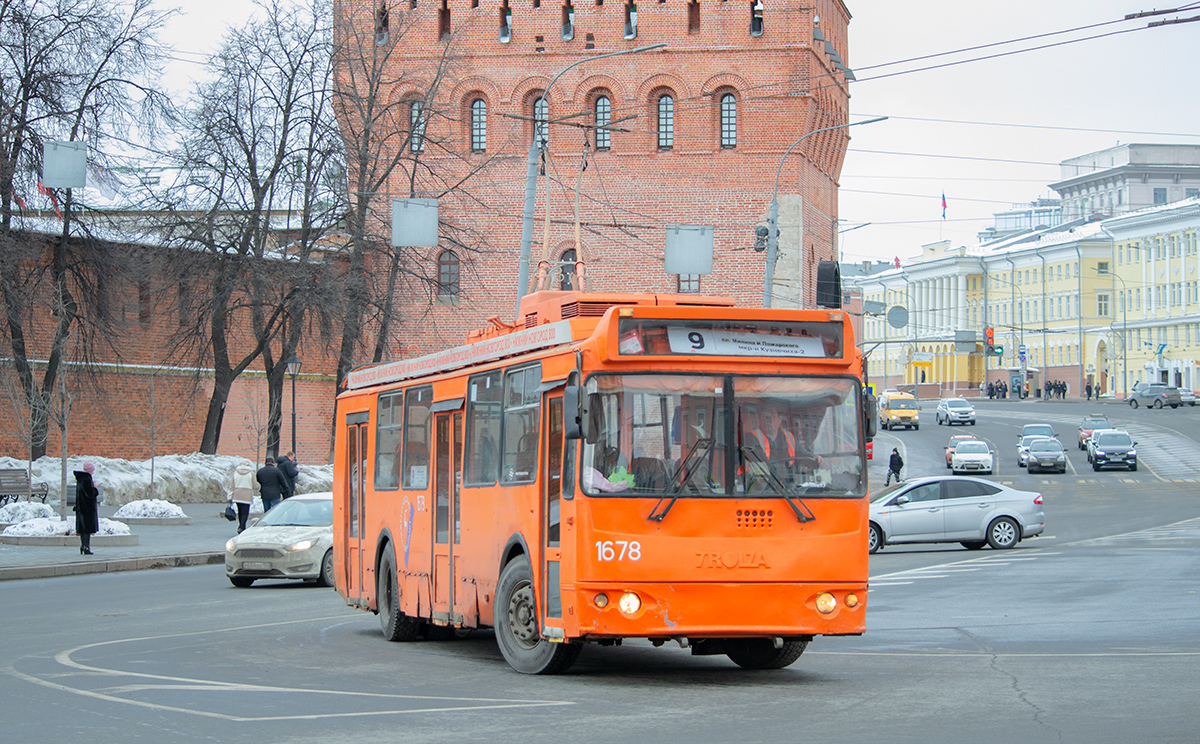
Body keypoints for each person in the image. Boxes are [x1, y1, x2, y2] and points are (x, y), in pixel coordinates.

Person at [73, 462, 100, 555]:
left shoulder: (80, 479)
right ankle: (86, 547)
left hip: (81, 507)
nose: (93, 471)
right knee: (87, 529)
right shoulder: (87, 479)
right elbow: (90, 493)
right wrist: (95, 488)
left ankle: (83, 545)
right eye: (92, 470)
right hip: (87, 508)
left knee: (83, 529)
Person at [228, 459, 256, 533]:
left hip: (237, 495)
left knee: (240, 511)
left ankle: (241, 525)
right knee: (245, 512)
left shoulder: (235, 473)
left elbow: (232, 486)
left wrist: (230, 496)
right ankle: (242, 526)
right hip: (247, 495)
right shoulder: (251, 473)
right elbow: (255, 486)